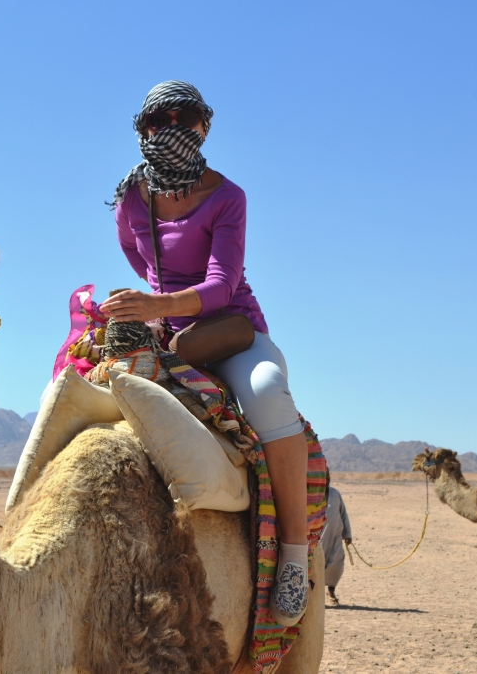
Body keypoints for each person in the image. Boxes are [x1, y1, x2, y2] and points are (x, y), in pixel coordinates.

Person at [100, 80, 312, 626]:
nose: (171, 129)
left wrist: (157, 300)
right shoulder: (130, 197)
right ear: (142, 130)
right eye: (157, 121)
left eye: (184, 117)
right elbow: (135, 254)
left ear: (204, 126)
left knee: (266, 395)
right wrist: (142, 305)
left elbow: (221, 284)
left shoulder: (227, 197)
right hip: (162, 330)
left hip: (228, 329)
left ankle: (294, 553)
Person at [322, 481, 351, 607]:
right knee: (316, 567)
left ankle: (331, 590)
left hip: (336, 537)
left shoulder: (335, 493)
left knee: (337, 564)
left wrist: (347, 534)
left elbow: (343, 514)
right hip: (318, 539)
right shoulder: (311, 493)